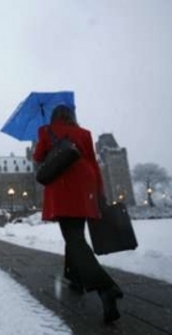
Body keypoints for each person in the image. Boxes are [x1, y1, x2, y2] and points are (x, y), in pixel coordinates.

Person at [33, 104, 123, 324]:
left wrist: (46, 137)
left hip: (64, 187)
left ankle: (105, 287)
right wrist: (100, 193)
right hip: (86, 187)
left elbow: (38, 158)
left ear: (54, 117)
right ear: (72, 116)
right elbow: (93, 164)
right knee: (75, 235)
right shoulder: (84, 134)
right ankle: (75, 279)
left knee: (73, 238)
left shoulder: (46, 131)